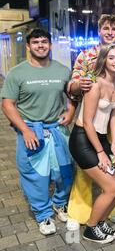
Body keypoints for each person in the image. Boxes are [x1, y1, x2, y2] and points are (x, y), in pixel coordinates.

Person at [1, 29, 75, 235]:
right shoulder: (17, 73)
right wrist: (25, 130)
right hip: (31, 130)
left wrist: (70, 112)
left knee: (64, 171)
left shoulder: (62, 70)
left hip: (58, 129)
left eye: (44, 41)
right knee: (35, 175)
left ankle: (60, 203)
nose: (40, 45)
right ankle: (43, 214)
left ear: (50, 45)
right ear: (28, 46)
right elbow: (7, 104)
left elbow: (71, 97)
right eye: (36, 42)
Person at [67, 14, 115, 225]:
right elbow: (72, 85)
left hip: (114, 116)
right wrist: (81, 86)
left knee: (112, 166)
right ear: (99, 30)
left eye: (114, 29)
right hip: (90, 119)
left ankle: (111, 208)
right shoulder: (86, 56)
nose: (110, 32)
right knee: (88, 168)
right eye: (106, 28)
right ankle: (80, 211)